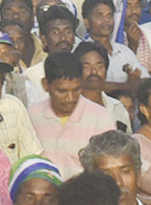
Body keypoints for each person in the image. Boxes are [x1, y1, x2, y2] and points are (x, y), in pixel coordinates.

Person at [28, 51, 116, 179]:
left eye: (76, 90)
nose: (70, 98)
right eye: (62, 91)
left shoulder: (101, 118)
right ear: (46, 85)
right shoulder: (31, 116)